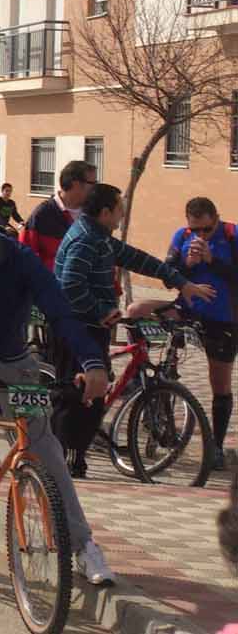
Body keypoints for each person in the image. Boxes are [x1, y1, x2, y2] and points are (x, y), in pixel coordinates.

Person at [0, 196, 116, 586]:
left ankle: (82, 546)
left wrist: (93, 363)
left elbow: (60, 312)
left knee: (47, 452)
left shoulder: (21, 260)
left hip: (12, 360)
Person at [51, 183, 213, 478]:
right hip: (77, 329)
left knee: (93, 395)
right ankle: (61, 461)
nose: (122, 217)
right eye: (119, 211)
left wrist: (182, 283)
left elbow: (139, 259)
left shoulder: (100, 237)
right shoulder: (86, 239)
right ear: (104, 213)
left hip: (92, 326)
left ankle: (75, 456)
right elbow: (70, 285)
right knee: (77, 397)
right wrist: (103, 312)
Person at [160, 197, 238, 468]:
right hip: (187, 311)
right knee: (137, 312)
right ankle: (151, 406)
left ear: (216, 218)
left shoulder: (232, 235)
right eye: (196, 230)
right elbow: (167, 277)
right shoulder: (182, 236)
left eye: (206, 229)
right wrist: (187, 265)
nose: (201, 235)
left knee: (220, 382)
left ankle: (216, 446)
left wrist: (211, 260)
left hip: (223, 318)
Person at [21, 158, 96, 270]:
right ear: (76, 184)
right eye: (92, 183)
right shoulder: (41, 215)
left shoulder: (94, 214)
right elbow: (24, 260)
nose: (95, 188)